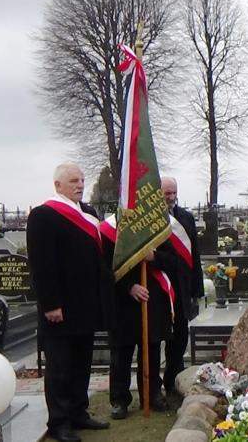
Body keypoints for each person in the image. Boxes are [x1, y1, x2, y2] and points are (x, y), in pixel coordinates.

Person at [27, 163, 111, 442]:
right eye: (74, 180)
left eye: (82, 180)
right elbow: (42, 264)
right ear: (58, 185)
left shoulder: (88, 213)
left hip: (86, 305)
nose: (80, 185)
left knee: (81, 364)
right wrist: (50, 304)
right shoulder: (43, 215)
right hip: (59, 307)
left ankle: (78, 412)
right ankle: (59, 421)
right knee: (60, 368)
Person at [102, 216, 173, 419]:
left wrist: (153, 257)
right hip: (122, 301)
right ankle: (119, 399)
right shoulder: (110, 229)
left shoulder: (156, 225)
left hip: (151, 299)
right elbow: (105, 267)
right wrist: (129, 287)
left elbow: (173, 261)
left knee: (151, 350)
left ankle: (151, 394)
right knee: (120, 354)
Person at [159, 177, 204, 400]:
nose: (171, 197)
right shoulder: (151, 219)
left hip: (182, 286)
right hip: (160, 287)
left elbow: (194, 254)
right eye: (166, 193)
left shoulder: (185, 217)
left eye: (173, 193)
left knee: (179, 338)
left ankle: (173, 382)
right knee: (160, 338)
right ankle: (155, 388)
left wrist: (197, 289)